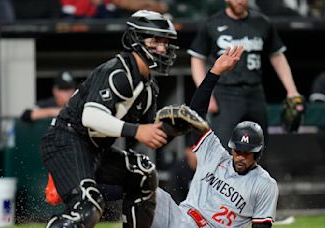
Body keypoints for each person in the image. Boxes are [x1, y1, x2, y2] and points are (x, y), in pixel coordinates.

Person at [40, 10, 178, 227]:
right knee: (88, 206)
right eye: (155, 41)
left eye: (165, 42)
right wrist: (136, 130)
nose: (162, 48)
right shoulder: (117, 72)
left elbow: (149, 132)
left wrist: (176, 128)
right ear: (136, 39)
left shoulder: (149, 88)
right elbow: (91, 116)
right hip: (66, 140)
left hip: (96, 149)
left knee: (143, 174)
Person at [152, 46, 279, 228]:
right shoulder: (215, 154)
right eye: (238, 150)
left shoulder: (264, 184)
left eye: (247, 152)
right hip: (181, 218)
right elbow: (195, 117)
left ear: (257, 153)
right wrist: (215, 72)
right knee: (144, 189)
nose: (241, 156)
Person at [188, 0, 302, 148]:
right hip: (226, 93)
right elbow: (197, 58)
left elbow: (277, 55)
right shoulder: (212, 23)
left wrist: (292, 90)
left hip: (255, 91)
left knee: (259, 147)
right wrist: (206, 95)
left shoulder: (262, 22)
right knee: (224, 148)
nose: (239, 1)